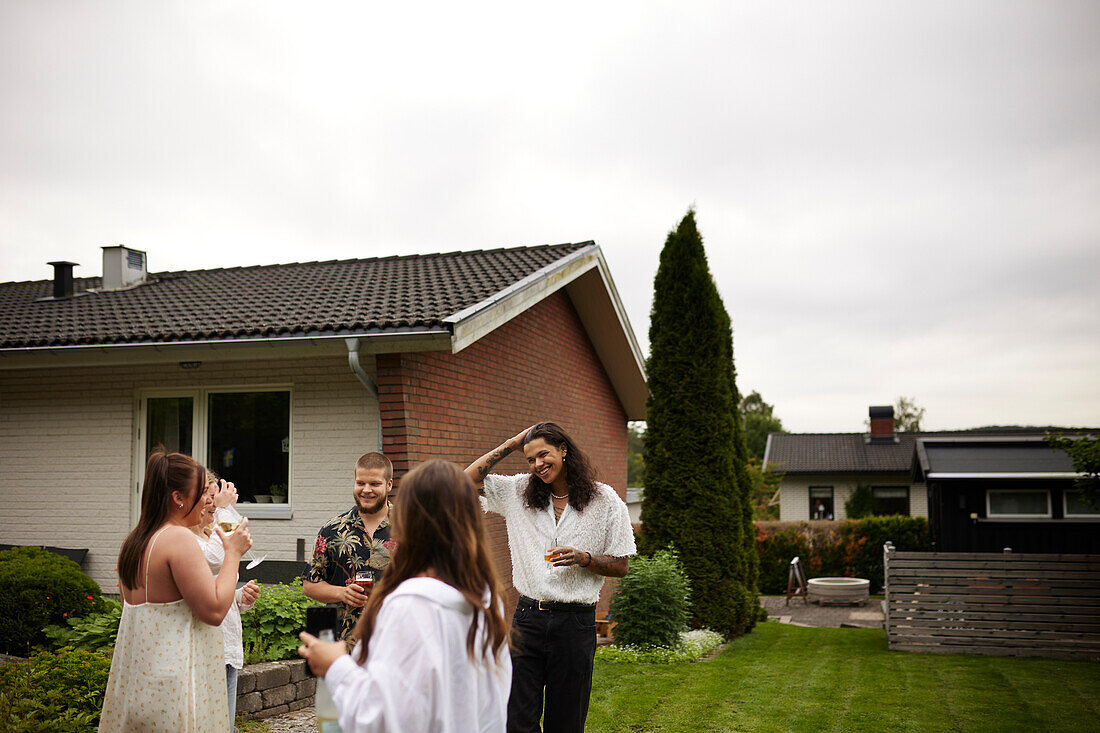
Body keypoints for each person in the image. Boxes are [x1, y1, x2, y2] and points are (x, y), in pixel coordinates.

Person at [298, 459, 512, 732]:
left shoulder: (413, 605)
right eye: (360, 482)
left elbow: (385, 718)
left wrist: (336, 665)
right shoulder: (485, 596)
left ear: (408, 520)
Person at [466, 422, 637, 733]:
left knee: (566, 723)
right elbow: (464, 481)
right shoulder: (517, 491)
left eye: (543, 455)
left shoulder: (605, 500)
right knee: (517, 721)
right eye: (530, 459)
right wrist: (512, 442)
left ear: (563, 449)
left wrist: (584, 559)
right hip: (528, 619)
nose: (537, 465)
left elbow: (621, 564)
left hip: (575, 624)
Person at [100, 448, 253, 732]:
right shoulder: (179, 539)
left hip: (141, 681)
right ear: (178, 498)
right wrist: (233, 552)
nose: (209, 499)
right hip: (177, 685)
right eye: (202, 493)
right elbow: (215, 611)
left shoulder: (135, 542)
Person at [190, 469, 261, 729]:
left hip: (226, 646)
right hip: (207, 648)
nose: (212, 501)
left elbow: (214, 586)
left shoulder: (208, 536)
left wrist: (241, 598)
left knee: (225, 726)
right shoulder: (189, 540)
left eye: (214, 496)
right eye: (208, 496)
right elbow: (219, 558)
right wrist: (224, 510)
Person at [303, 452, 397, 643]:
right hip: (344, 647)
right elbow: (310, 584)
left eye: (374, 484)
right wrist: (342, 593)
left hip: (397, 644)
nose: (366, 490)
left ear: (389, 485)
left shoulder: (411, 527)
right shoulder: (332, 530)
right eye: (360, 483)